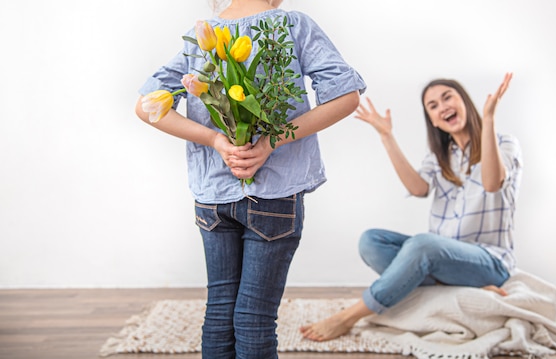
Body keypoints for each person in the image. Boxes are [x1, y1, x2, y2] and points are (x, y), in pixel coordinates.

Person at [134, 0, 366, 358]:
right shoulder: (290, 25)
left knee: (220, 310)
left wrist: (215, 140)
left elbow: (145, 106)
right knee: (255, 316)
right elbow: (346, 97)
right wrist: (271, 142)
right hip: (274, 195)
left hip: (213, 197)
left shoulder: (202, 37)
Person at [300, 73, 522, 342]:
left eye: (447, 97)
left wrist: (488, 120)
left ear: (464, 100)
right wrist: (386, 136)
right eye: (433, 106)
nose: (443, 107)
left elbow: (492, 183)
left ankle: (349, 316)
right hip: (442, 259)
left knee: (423, 245)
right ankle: (461, 287)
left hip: (489, 262)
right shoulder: (440, 156)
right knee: (371, 241)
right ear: (433, 119)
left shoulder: (503, 143)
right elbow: (418, 189)